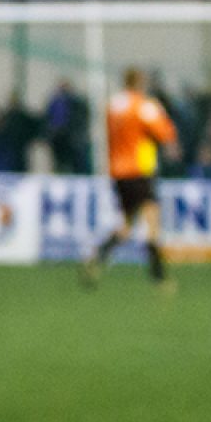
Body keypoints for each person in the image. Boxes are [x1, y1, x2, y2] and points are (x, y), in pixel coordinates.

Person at [83, 68, 179, 292]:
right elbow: (165, 133)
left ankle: (97, 257)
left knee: (126, 226)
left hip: (118, 171)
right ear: (139, 82)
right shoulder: (143, 106)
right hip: (138, 170)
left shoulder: (113, 105)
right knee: (152, 224)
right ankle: (160, 278)